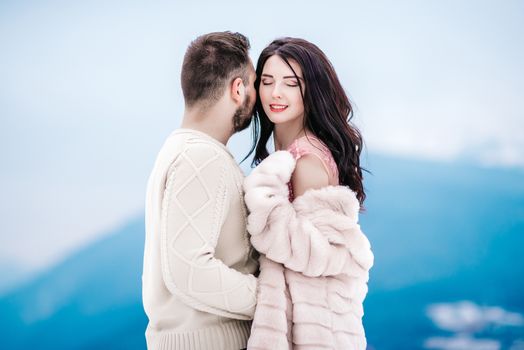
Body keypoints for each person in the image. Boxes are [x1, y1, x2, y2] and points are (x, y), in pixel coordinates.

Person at [243, 38, 374, 349]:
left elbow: (319, 257)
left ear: (311, 90)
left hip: (317, 332)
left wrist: (264, 204)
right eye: (267, 81)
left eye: (291, 83)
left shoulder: (306, 160)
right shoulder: (289, 152)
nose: (275, 93)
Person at [142, 31, 259, 350]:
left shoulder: (178, 150)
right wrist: (273, 298)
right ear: (238, 89)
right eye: (255, 84)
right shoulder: (201, 157)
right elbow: (188, 269)